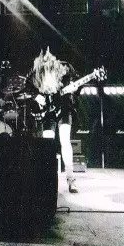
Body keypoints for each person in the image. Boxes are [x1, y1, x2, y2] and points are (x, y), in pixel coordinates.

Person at [27, 47, 80, 193]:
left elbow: (76, 84)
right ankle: (47, 178)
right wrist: (37, 96)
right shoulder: (38, 69)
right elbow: (27, 84)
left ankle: (71, 179)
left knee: (65, 141)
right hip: (47, 111)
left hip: (64, 107)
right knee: (47, 143)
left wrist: (74, 89)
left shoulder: (66, 67)